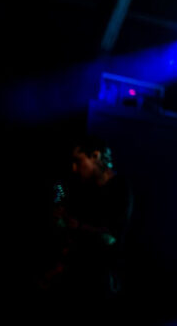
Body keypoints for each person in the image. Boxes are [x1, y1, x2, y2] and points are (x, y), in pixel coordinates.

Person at [41, 136, 132, 321]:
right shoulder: (82, 187)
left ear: (95, 156)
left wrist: (78, 226)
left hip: (100, 285)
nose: (74, 169)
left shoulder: (119, 190)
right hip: (74, 280)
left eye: (78, 161)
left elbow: (111, 237)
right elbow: (59, 189)